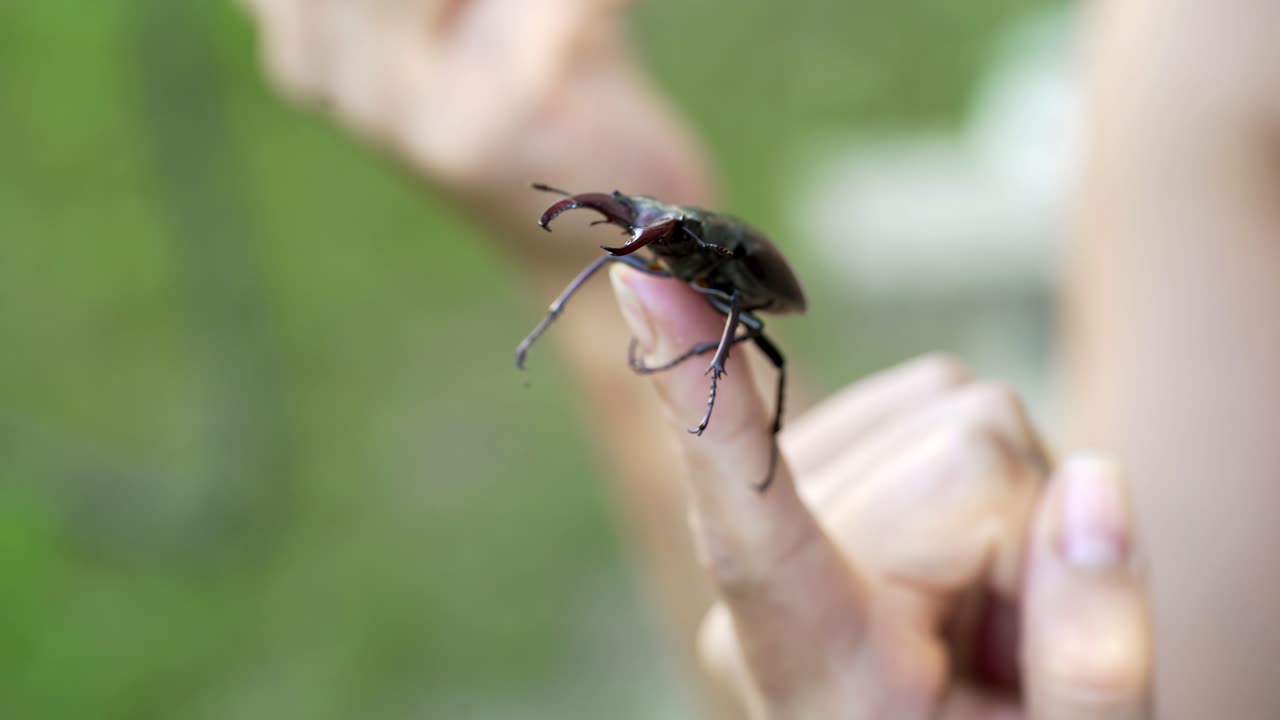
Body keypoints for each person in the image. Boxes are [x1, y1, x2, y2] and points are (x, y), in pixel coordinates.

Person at [243, 0, 1280, 716]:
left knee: (738, 345)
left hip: (752, 287)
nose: (623, 233)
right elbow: (1195, 669)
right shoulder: (1209, 47)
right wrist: (578, 212)